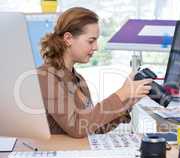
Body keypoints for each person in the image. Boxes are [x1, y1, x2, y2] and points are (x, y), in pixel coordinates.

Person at [38, 7, 152, 138]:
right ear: (68, 38)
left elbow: (93, 127)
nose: (96, 47)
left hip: (79, 151)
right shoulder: (46, 77)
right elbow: (76, 127)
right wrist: (121, 94)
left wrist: (128, 101)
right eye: (91, 41)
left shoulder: (78, 79)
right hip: (61, 154)